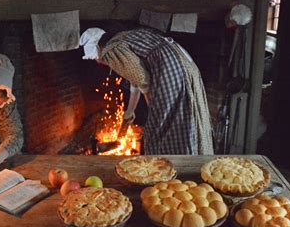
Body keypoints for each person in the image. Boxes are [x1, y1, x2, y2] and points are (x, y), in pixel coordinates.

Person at [80, 27, 214, 155]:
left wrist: (153, 107)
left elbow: (141, 78)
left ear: (97, 47)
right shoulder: (122, 38)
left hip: (170, 68)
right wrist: (130, 110)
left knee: (164, 126)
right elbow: (135, 78)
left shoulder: (111, 50)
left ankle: (172, 168)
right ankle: (191, 160)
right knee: (188, 115)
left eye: (94, 57)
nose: (97, 61)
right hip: (184, 65)